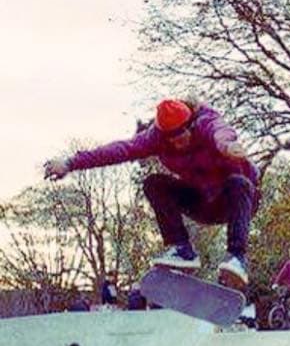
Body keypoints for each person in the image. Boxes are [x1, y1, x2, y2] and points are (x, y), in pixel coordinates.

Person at [44, 98, 259, 289]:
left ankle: (237, 258)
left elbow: (220, 129)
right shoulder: (155, 138)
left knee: (238, 182)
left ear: (191, 124)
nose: (176, 142)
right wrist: (70, 163)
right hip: (202, 203)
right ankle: (182, 249)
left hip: (237, 202)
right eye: (170, 138)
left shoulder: (205, 123)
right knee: (153, 184)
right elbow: (119, 150)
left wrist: (226, 145)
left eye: (180, 135)